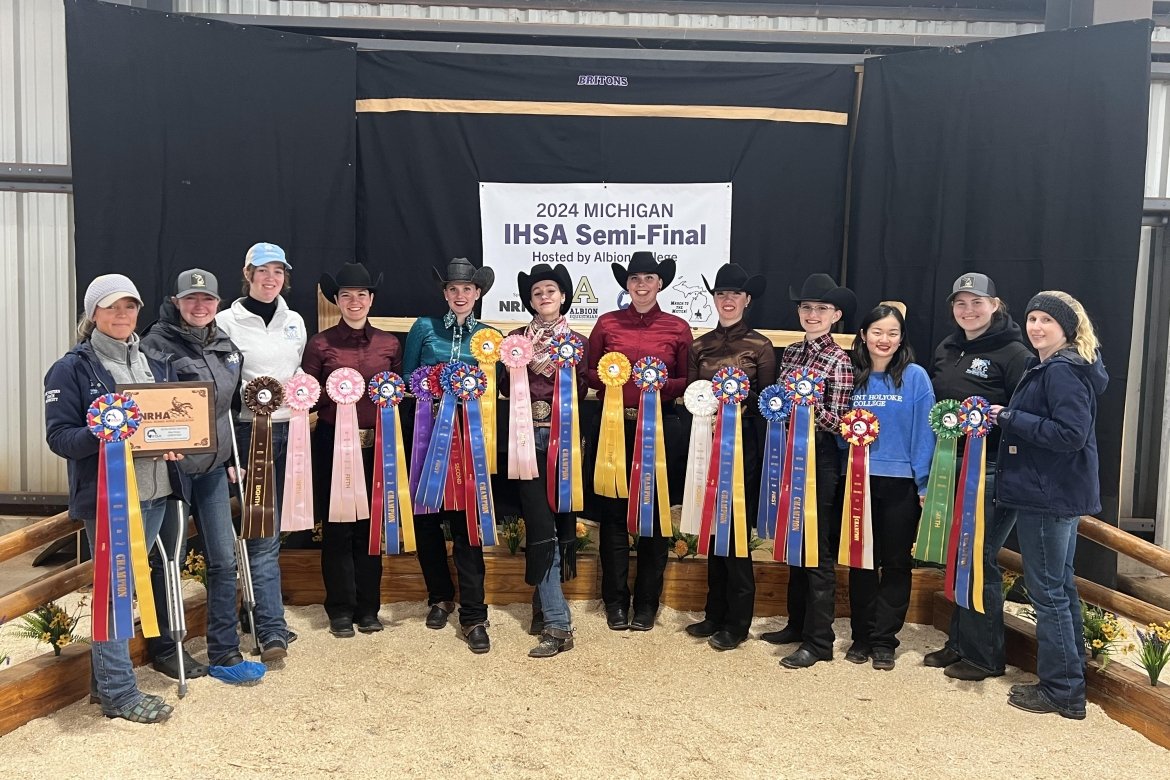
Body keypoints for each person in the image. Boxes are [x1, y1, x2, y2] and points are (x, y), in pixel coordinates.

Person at [44, 274, 185, 723]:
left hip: (157, 491)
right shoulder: (71, 369)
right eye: (111, 307)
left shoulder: (155, 361)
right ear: (93, 315)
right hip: (111, 502)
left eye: (129, 306)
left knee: (125, 590)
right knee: (114, 594)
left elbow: (161, 423)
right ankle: (121, 695)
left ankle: (102, 683)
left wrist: (173, 441)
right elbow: (60, 438)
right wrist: (101, 432)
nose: (122, 315)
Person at [988, 291, 1105, 720]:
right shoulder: (1058, 366)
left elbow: (1069, 434)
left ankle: (1061, 691)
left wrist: (1008, 417)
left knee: (1049, 591)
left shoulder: (1062, 371)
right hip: (1052, 492)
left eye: (1046, 321)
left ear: (1067, 328)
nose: (1036, 327)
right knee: (1060, 586)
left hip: (1047, 494)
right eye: (1032, 318)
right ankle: (1071, 684)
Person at [142, 268, 254, 675]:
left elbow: (226, 410)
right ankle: (165, 648)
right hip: (171, 473)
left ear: (217, 304)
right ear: (177, 302)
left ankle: (223, 646)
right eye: (191, 299)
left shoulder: (226, 346)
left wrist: (228, 458)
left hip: (211, 469)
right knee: (167, 559)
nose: (199, 306)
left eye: (207, 300)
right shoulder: (154, 345)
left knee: (224, 559)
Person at [922, 273, 1032, 681]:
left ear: (995, 304)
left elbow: (1023, 418)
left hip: (989, 471)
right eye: (960, 303)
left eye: (976, 302)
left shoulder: (1015, 353)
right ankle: (960, 642)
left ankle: (985, 656)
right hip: (951, 467)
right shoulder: (947, 348)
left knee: (980, 558)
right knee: (959, 557)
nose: (968, 310)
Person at [586, 251, 693, 632]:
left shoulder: (678, 328)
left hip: (660, 429)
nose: (642, 285)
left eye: (649, 278)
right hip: (614, 429)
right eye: (635, 279)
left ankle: (647, 603)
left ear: (660, 283)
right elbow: (588, 371)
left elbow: (687, 379)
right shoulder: (607, 323)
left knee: (655, 516)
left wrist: (658, 383)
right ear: (626, 284)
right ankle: (615, 602)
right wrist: (613, 381)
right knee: (613, 518)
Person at [402, 257, 500, 653]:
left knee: (467, 525)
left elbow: (496, 388)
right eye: (453, 289)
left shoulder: (490, 335)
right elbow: (409, 379)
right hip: (427, 437)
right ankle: (439, 596)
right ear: (445, 293)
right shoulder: (424, 328)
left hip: (471, 440)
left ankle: (474, 614)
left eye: (467, 289)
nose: (460, 295)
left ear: (477, 293)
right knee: (427, 521)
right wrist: (431, 387)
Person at [215, 242, 306, 664]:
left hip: (294, 433)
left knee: (275, 528)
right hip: (252, 435)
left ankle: (259, 616)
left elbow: (296, 374)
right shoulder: (225, 323)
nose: (270, 279)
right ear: (247, 273)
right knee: (261, 534)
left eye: (278, 271)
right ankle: (269, 627)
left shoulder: (295, 322)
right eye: (262, 271)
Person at [760, 273, 854, 668]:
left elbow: (844, 418)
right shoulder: (793, 354)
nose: (812, 314)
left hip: (820, 460)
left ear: (835, 314)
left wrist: (808, 410)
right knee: (795, 538)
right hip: (789, 456)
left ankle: (820, 640)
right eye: (806, 307)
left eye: (820, 308)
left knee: (818, 548)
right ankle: (797, 623)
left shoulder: (840, 359)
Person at [302, 262, 400, 638]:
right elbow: (308, 395)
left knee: (370, 527)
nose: (354, 301)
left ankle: (368, 606)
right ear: (337, 301)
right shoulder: (320, 344)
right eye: (347, 295)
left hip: (377, 446)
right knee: (339, 527)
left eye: (361, 294)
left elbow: (398, 395)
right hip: (333, 445)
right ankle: (340, 609)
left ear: (371, 299)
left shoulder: (389, 344)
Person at [684, 263, 775, 651]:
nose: (727, 300)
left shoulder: (760, 346)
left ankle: (737, 621)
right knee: (713, 525)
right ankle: (714, 612)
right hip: (706, 445)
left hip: (743, 449)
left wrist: (736, 400)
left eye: (734, 294)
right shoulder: (699, 346)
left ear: (746, 300)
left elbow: (771, 403)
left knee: (735, 528)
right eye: (721, 294)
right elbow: (692, 397)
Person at [842, 303, 935, 670]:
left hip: (901, 485)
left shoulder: (915, 378)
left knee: (895, 563)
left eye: (892, 333)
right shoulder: (851, 376)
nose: (884, 339)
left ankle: (884, 640)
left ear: (901, 339)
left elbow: (924, 434)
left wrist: (924, 483)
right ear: (863, 335)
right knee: (861, 561)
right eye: (877, 332)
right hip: (858, 482)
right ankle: (861, 637)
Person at [504, 263, 589, 657]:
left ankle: (545, 607)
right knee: (541, 525)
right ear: (531, 300)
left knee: (559, 520)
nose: (544, 297)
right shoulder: (514, 341)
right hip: (525, 438)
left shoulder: (578, 342)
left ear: (563, 296)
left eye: (550, 290)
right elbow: (503, 386)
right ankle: (558, 623)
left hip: (565, 440)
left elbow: (586, 383)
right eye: (537, 292)